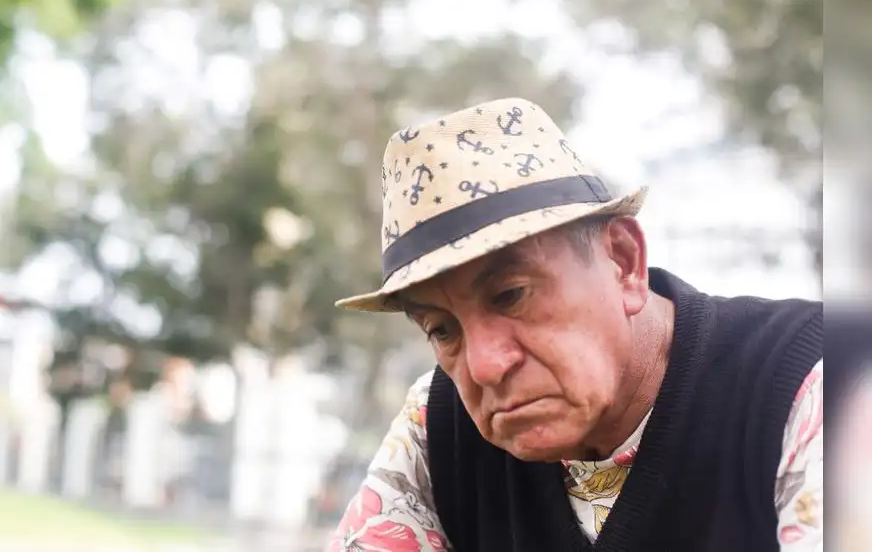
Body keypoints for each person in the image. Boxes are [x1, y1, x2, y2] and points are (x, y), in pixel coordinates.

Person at [326, 99, 823, 551]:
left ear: (623, 262)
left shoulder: (813, 381)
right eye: (442, 329)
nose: (483, 366)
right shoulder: (439, 426)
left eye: (510, 295)